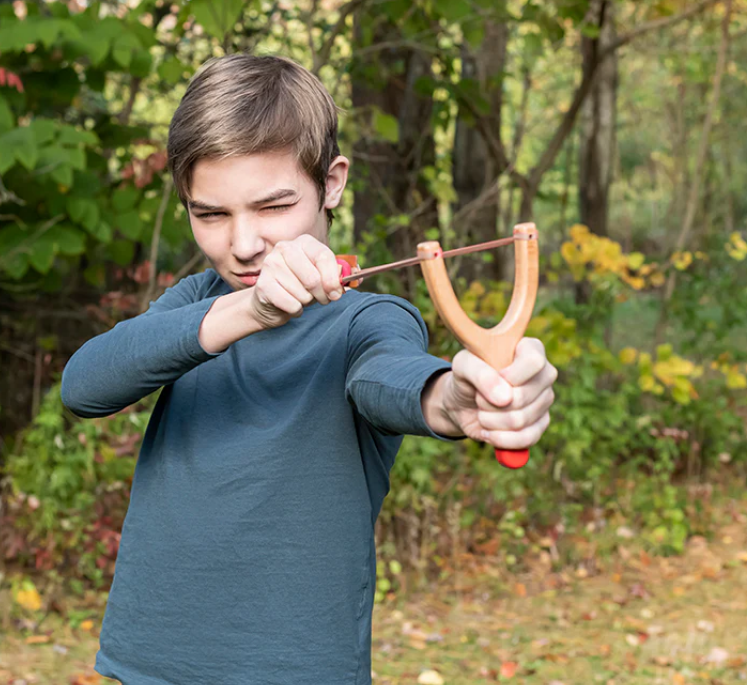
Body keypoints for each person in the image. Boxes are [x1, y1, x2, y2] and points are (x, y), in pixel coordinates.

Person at [61, 54, 558, 685]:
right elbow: (84, 386)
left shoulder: (369, 320)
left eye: (272, 206)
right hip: (154, 665)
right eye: (209, 214)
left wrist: (454, 400)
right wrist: (250, 308)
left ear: (332, 183)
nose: (242, 244)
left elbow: (394, 380)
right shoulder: (193, 305)